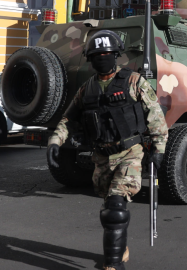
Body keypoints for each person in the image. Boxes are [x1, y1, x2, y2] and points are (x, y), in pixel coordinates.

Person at [46, 30, 168, 270]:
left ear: (116, 55)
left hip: (130, 152)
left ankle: (112, 265)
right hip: (101, 157)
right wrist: (54, 142)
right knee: (109, 212)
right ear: (90, 59)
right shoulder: (87, 90)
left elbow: (155, 116)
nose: (102, 58)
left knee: (115, 209)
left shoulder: (134, 82)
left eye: (107, 54)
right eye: (97, 55)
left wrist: (159, 148)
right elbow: (69, 120)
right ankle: (120, 248)